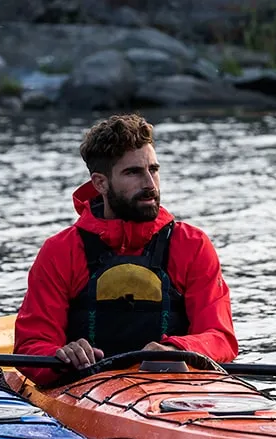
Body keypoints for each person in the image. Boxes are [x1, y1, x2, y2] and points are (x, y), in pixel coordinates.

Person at [14, 113, 238, 386]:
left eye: (153, 170)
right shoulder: (60, 251)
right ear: (100, 183)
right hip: (86, 388)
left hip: (175, 385)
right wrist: (60, 355)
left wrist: (176, 350)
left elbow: (220, 337)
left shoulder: (192, 244)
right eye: (133, 172)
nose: (150, 184)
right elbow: (31, 346)